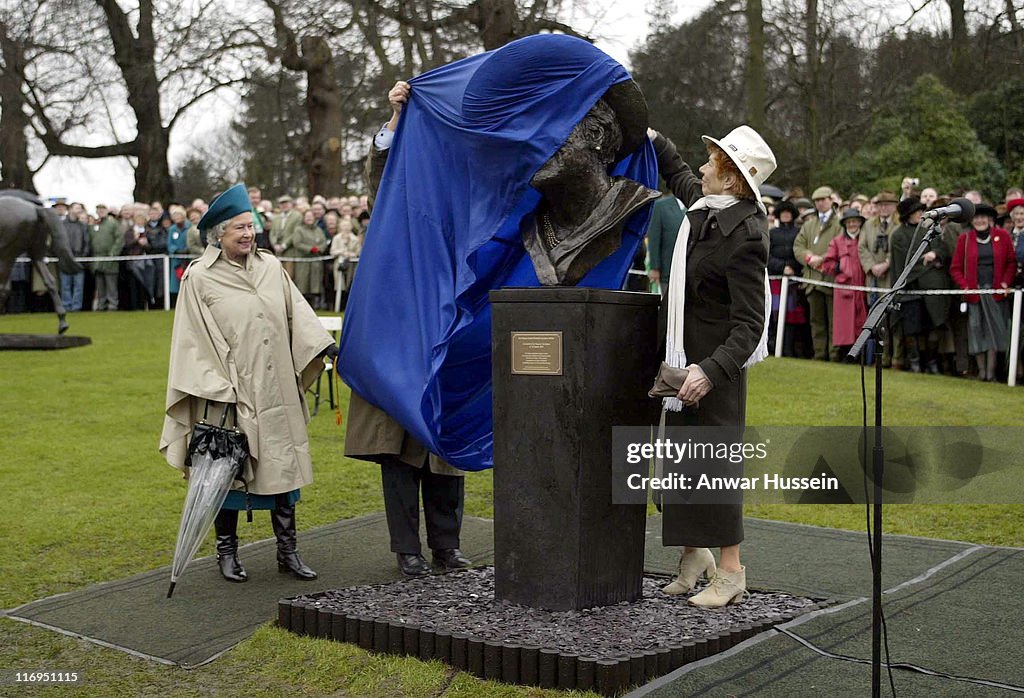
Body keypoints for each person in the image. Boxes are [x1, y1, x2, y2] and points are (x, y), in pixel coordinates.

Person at [159, 184, 336, 583]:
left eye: (250, 225)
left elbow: (298, 315)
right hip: (227, 393)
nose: (248, 233)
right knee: (226, 472)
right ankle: (227, 553)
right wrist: (220, 386)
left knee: (283, 469)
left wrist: (323, 345)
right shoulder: (199, 279)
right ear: (217, 235)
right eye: (238, 227)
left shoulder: (271, 267)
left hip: (278, 388)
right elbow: (191, 339)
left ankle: (287, 553)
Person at [344, 81, 472, 577]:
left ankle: (447, 545)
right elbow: (384, 177)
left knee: (444, 452)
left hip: (444, 341)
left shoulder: (461, 210)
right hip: (397, 343)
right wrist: (397, 119)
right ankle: (408, 550)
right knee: (398, 455)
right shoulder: (398, 207)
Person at [648, 124, 776, 608]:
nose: (702, 168)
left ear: (730, 181)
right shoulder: (703, 210)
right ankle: (693, 556)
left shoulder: (745, 235)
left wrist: (710, 370)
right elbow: (680, 172)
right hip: (681, 364)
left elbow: (749, 324)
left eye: (713, 163)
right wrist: (653, 136)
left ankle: (730, 571)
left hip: (714, 373)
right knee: (680, 465)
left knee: (715, 468)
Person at [951, 204, 1016, 381]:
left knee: (994, 331)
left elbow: (1011, 262)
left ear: (990, 219)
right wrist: (965, 286)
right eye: (976, 217)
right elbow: (955, 268)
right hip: (974, 294)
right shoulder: (964, 239)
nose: (979, 220)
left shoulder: (1002, 236)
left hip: (995, 293)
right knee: (976, 330)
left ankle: (991, 373)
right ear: (972, 221)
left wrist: (1005, 283)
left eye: (983, 217)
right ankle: (981, 372)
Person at [889, 197, 950, 374]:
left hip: (932, 288)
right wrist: (929, 264)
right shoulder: (899, 235)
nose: (920, 214)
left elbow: (942, 250)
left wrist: (934, 255)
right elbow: (904, 264)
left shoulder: (931, 230)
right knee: (911, 329)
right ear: (908, 215)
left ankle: (931, 361)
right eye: (917, 212)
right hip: (910, 288)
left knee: (934, 325)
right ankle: (914, 362)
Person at [793, 186, 840, 361]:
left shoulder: (838, 223)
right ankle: (820, 354)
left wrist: (823, 259)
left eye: (823, 200)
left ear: (831, 200)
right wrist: (808, 257)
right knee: (816, 320)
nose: (820, 204)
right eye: (817, 201)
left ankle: (834, 354)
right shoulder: (809, 224)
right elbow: (798, 246)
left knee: (833, 320)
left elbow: (841, 246)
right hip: (812, 280)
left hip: (831, 278)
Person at [819, 208, 868, 358]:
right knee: (845, 324)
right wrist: (840, 266)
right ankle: (845, 355)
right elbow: (827, 264)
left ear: (860, 222)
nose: (852, 224)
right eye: (849, 222)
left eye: (855, 221)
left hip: (863, 287)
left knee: (863, 321)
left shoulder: (865, 240)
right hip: (845, 290)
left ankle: (862, 355)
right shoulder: (837, 241)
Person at [767, 199, 808, 357]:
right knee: (774, 315)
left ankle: (788, 350)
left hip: (793, 280)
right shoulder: (772, 233)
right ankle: (773, 347)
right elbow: (767, 256)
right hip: (776, 279)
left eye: (788, 212)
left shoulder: (799, 232)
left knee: (791, 317)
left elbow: (800, 251)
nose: (785, 215)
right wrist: (781, 267)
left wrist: (792, 267)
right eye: (782, 212)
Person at [647, 193, 685, 293]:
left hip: (691, 274)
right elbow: (654, 238)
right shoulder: (661, 206)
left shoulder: (698, 205)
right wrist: (654, 267)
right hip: (668, 272)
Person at [290, 209, 326, 308]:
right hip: (303, 261)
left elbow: (323, 241)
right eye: (307, 217)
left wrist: (320, 248)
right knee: (303, 283)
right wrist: (310, 249)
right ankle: (302, 306)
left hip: (316, 261)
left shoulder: (318, 230)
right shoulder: (299, 229)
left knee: (315, 284)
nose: (309, 219)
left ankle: (314, 305)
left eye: (311, 216)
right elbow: (297, 243)